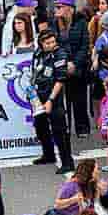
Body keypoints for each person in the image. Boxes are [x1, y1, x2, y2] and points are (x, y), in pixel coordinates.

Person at [31, 29, 76, 174]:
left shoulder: (59, 54)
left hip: (54, 96)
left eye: (53, 42)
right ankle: (48, 154)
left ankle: (67, 162)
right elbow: (34, 72)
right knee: (40, 126)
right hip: (38, 95)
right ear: (41, 43)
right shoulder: (37, 54)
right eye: (47, 43)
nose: (51, 45)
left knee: (59, 131)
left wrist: (51, 99)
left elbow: (60, 80)